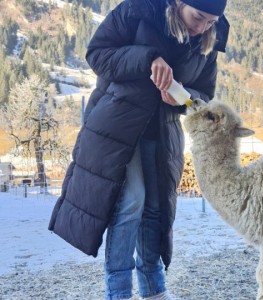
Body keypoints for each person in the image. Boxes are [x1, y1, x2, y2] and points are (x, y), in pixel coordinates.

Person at [48, 0, 229, 299]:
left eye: (211, 21)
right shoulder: (138, 9)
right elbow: (97, 55)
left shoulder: (209, 37)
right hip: (117, 125)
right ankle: (118, 292)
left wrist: (182, 98)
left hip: (162, 131)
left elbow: (204, 95)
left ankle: (154, 290)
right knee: (131, 202)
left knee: (155, 210)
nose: (202, 28)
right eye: (198, 17)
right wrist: (148, 59)